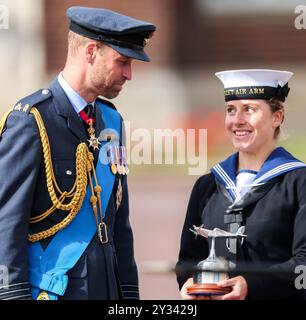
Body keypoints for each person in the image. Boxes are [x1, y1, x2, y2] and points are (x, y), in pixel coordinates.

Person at [0, 6, 156, 300]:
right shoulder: (32, 120)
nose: (129, 74)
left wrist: (130, 296)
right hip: (55, 291)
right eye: (122, 61)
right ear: (90, 52)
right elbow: (7, 225)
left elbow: (119, 223)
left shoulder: (112, 121)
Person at [176, 69, 306, 300]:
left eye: (250, 109)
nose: (238, 120)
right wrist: (189, 283)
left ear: (277, 117)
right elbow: (188, 259)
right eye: (231, 110)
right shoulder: (207, 186)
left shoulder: (298, 182)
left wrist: (251, 285)